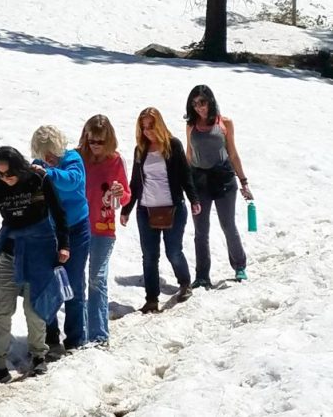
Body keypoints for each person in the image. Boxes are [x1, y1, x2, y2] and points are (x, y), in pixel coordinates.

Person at [0, 146, 70, 386]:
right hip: (9, 254)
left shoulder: (37, 179)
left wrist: (64, 245)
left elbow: (59, 213)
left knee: (34, 308)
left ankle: (38, 356)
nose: (6, 179)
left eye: (9, 174)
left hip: (40, 252)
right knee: (2, 311)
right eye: (0, 174)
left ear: (19, 168)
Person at [120, 107, 201, 313]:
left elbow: (185, 175)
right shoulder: (140, 149)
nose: (147, 131)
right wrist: (126, 209)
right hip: (146, 209)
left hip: (172, 207)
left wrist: (193, 199)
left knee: (173, 250)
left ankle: (185, 283)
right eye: (143, 127)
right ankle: (151, 299)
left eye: (151, 126)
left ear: (160, 125)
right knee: (149, 256)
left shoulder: (173, 145)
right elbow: (136, 183)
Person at [184, 84, 253, 289]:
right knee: (200, 230)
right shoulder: (191, 125)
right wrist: (186, 183)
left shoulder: (224, 123)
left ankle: (239, 265)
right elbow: (189, 154)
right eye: (195, 104)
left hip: (223, 179)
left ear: (210, 101)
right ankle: (202, 275)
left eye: (202, 103)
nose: (199, 108)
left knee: (227, 225)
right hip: (199, 181)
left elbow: (232, 153)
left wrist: (244, 182)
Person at [31, 125, 90, 354]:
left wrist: (48, 174)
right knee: (49, 283)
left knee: (74, 282)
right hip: (49, 230)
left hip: (76, 228)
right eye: (43, 153)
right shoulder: (41, 164)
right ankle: (50, 335)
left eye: (50, 152)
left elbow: (72, 181)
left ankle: (75, 338)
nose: (47, 158)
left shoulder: (73, 158)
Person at [78, 114, 131, 345]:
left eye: (100, 141)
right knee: (77, 281)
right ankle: (77, 333)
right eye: (92, 141)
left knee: (97, 278)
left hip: (103, 227)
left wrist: (121, 195)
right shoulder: (78, 157)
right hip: (77, 226)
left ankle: (99, 335)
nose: (96, 146)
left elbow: (127, 194)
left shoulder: (116, 161)